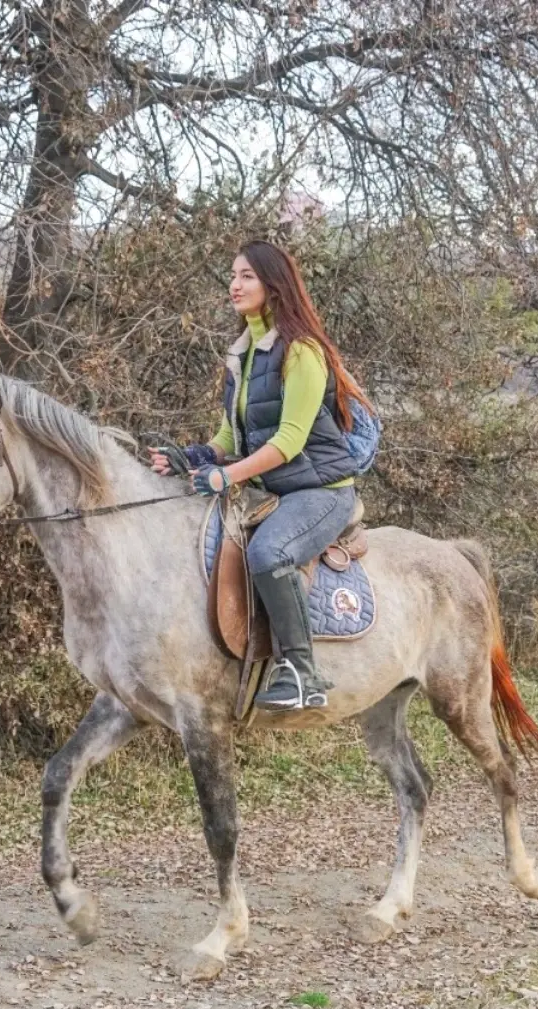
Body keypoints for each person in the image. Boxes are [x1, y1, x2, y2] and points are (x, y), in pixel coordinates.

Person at [150, 240, 372, 712]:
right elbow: (229, 438)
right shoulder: (244, 355)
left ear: (274, 286)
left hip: (321, 492)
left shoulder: (303, 352)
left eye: (246, 276)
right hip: (275, 493)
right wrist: (187, 458)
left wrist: (225, 478)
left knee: (268, 554)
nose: (234, 284)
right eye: (232, 275)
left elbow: (289, 441)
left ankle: (302, 673)